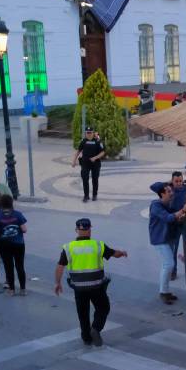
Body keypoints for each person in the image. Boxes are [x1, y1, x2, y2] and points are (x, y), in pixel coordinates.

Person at [55, 218, 128, 346]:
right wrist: (122, 253)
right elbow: (113, 254)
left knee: (82, 313)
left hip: (78, 288)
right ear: (89, 230)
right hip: (96, 286)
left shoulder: (69, 247)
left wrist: (57, 283)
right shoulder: (98, 245)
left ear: (76, 230)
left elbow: (60, 266)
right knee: (103, 307)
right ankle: (96, 328)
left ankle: (87, 338)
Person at [149, 183, 186, 304]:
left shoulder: (166, 204)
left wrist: (179, 216)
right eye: (169, 191)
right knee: (169, 264)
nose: (172, 193)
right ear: (162, 194)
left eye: (171, 191)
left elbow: (173, 218)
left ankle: (165, 291)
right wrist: (182, 210)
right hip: (160, 240)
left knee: (167, 264)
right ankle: (163, 292)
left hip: (167, 238)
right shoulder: (156, 206)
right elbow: (168, 218)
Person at [0, 194, 28, 294]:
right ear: (11, 203)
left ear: (1, 204)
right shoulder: (18, 214)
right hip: (19, 244)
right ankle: (23, 289)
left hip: (4, 245)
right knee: (20, 266)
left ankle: (11, 290)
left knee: (8, 266)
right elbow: (24, 229)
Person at [72, 128, 107, 202]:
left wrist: (95, 157)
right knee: (85, 179)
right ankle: (86, 196)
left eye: (90, 132)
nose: (88, 134)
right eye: (87, 133)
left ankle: (94, 195)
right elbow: (78, 151)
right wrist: (74, 160)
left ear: (93, 133)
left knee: (95, 179)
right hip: (85, 163)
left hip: (95, 164)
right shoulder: (83, 141)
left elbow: (103, 152)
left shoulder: (97, 141)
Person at [170, 170, 186, 282]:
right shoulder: (169, 191)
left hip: (185, 223)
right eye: (176, 181)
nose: (178, 183)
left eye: (180, 181)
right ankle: (173, 271)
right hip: (174, 224)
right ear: (172, 181)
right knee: (174, 249)